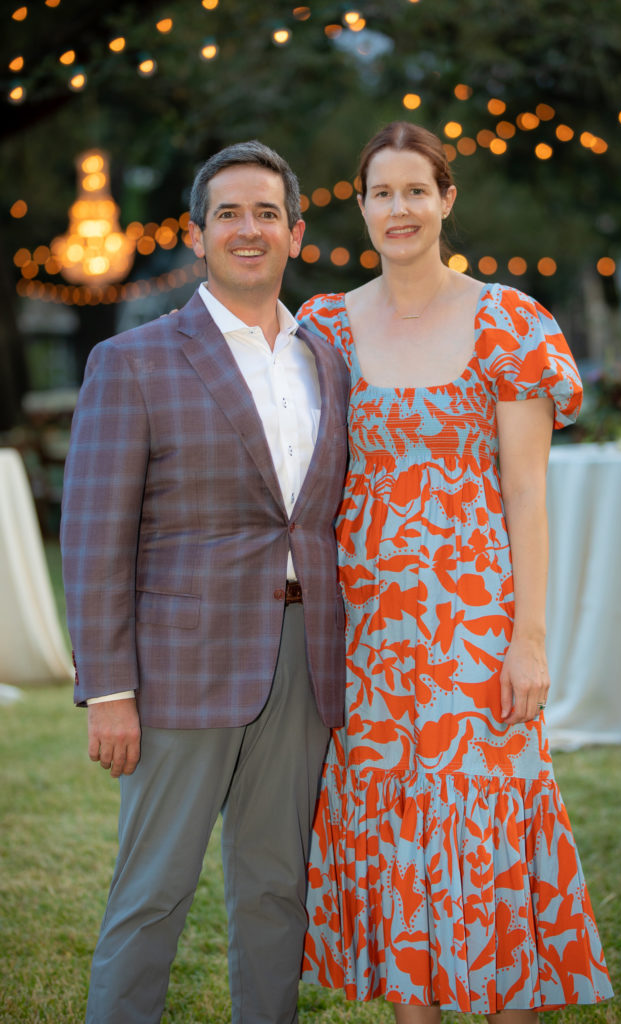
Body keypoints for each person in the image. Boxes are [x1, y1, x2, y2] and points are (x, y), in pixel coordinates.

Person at [297, 122, 613, 1022]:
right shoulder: (325, 328)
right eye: (381, 193)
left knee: (491, 826)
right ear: (360, 207)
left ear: (447, 200)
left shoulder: (508, 323)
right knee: (395, 833)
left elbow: (526, 495)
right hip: (370, 639)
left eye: (415, 191)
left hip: (476, 631)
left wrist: (529, 641)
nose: (399, 209)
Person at [60, 140, 350, 1024]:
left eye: (267, 212)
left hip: (304, 660)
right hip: (180, 666)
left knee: (275, 890)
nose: (249, 228)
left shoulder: (328, 362)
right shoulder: (135, 361)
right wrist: (109, 689)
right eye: (229, 212)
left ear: (297, 232)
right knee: (153, 892)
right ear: (197, 234)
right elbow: (92, 538)